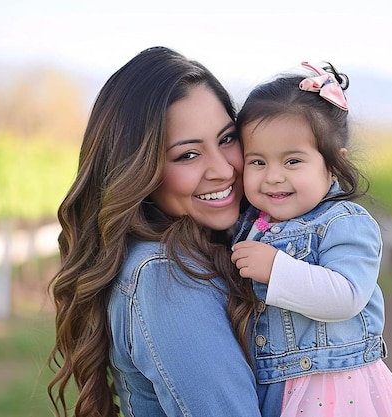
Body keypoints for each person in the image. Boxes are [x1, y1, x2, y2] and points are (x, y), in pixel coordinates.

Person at [46, 46, 284, 417]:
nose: (222, 169)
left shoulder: (219, 246)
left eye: (226, 139)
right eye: (188, 155)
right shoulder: (165, 278)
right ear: (139, 170)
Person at [231, 61, 392, 416]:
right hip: (276, 385)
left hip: (331, 388)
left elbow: (346, 296)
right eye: (257, 162)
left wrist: (276, 269)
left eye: (292, 161)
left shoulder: (344, 223)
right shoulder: (251, 223)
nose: (272, 177)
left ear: (332, 164)